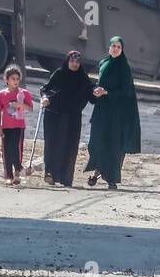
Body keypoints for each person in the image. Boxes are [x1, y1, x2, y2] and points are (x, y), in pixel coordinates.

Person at [85, 36, 141, 191]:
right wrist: (96, 90)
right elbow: (100, 83)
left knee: (114, 145)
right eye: (113, 46)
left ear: (122, 50)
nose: (115, 49)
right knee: (97, 141)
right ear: (109, 47)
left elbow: (126, 90)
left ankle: (111, 179)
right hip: (102, 110)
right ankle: (97, 170)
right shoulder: (103, 63)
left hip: (117, 113)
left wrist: (107, 92)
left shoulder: (124, 67)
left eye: (118, 47)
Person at [40, 50, 93, 187]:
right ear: (67, 61)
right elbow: (45, 89)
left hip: (72, 117)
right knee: (52, 143)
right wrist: (45, 98)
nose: (75, 64)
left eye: (77, 61)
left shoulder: (83, 78)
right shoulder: (59, 73)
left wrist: (96, 92)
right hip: (54, 115)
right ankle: (50, 174)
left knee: (70, 147)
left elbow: (91, 93)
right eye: (72, 61)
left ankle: (65, 178)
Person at [0, 66, 34, 185]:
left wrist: (20, 104)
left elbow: (30, 109)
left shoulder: (24, 93)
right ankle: (9, 176)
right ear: (6, 80)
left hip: (19, 125)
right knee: (7, 150)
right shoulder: (0, 95)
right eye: (12, 78)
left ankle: (17, 173)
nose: (15, 81)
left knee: (16, 148)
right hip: (6, 126)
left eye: (17, 78)